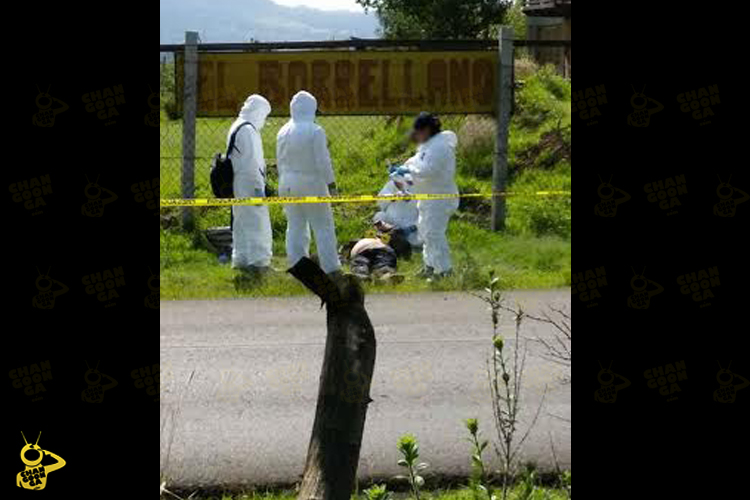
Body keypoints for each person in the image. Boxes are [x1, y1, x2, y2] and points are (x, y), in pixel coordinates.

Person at [277, 91, 341, 276]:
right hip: (311, 182)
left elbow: (279, 160)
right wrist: (331, 185)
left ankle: (298, 268)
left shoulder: (282, 131)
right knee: (323, 226)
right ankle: (331, 268)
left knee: (295, 226)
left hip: (286, 183)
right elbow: (323, 161)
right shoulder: (315, 130)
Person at [391, 112, 459, 280]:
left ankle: (444, 271)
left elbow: (429, 170)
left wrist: (408, 170)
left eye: (419, 131)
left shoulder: (440, 147)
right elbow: (415, 160)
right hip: (428, 197)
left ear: (427, 130)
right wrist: (404, 167)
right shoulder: (428, 146)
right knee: (425, 232)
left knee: (434, 234)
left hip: (440, 198)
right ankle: (430, 267)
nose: (416, 135)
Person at [228, 94, 273, 274]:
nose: (264, 119)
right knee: (257, 220)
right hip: (250, 181)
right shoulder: (248, 130)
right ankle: (260, 262)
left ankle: (241, 259)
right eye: (264, 115)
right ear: (258, 111)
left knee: (241, 221)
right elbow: (254, 162)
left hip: (238, 181)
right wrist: (259, 188)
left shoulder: (237, 125)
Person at [372, 177, 421, 248]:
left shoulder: (422, 187)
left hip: (409, 225)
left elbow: (425, 211)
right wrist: (392, 197)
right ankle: (385, 235)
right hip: (389, 222)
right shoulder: (391, 185)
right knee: (379, 216)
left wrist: (412, 228)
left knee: (419, 240)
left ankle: (396, 239)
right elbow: (379, 202)